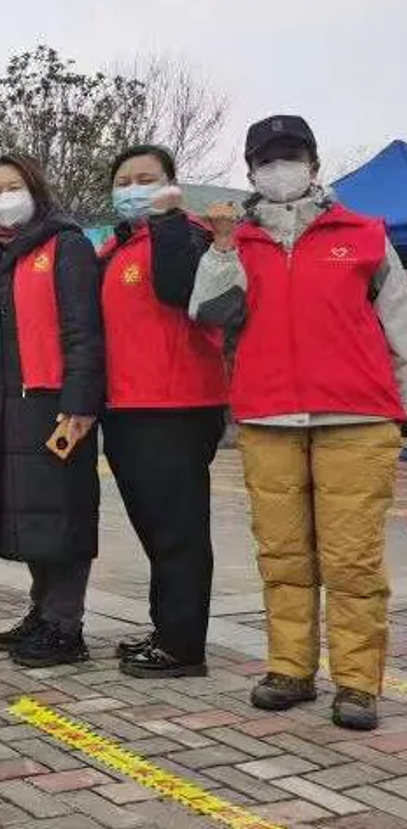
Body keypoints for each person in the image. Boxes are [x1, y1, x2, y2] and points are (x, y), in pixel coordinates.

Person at [191, 115, 407, 731]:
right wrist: (222, 249)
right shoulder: (237, 241)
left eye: (290, 156)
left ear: (313, 164)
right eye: (266, 159)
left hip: (357, 417)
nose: (279, 168)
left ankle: (357, 683)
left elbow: (400, 323)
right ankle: (290, 668)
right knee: (283, 554)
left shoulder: (364, 234)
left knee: (352, 559)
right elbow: (209, 314)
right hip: (268, 416)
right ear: (251, 170)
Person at [0, 154, 104, 668]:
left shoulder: (67, 246)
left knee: (62, 513)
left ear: (36, 189)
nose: (3, 198)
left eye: (13, 186)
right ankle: (43, 611)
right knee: (26, 514)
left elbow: (83, 330)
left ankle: (66, 626)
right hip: (2, 406)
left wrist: (80, 401)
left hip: (53, 403)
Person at [98, 145, 228, 679]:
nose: (134, 188)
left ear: (171, 185)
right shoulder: (116, 247)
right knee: (154, 527)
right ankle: (167, 628)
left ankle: (183, 646)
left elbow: (178, 289)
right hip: (125, 407)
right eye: (124, 180)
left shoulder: (189, 235)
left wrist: (169, 218)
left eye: (147, 178)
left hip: (176, 406)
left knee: (178, 530)